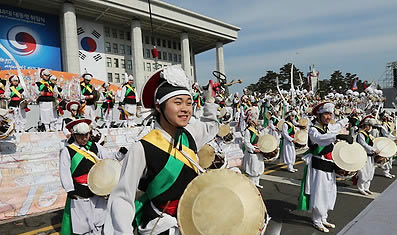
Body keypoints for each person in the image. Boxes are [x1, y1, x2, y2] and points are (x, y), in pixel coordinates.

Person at [104, 65, 218, 235]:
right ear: (159, 106)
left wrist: (209, 101)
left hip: (193, 220)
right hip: (161, 226)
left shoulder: (190, 135)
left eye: (189, 103)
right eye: (177, 102)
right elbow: (122, 198)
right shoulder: (141, 148)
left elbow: (211, 125)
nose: (185, 109)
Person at [299, 102, 351, 233]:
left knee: (329, 192)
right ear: (319, 115)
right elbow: (320, 139)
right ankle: (317, 220)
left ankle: (324, 218)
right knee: (320, 194)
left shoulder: (328, 128)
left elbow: (336, 127)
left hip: (329, 165)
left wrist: (346, 120)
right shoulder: (313, 130)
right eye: (326, 114)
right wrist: (338, 136)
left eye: (330, 114)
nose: (328, 117)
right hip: (319, 165)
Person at [59, 119, 113, 235]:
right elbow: (64, 170)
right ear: (74, 135)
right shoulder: (67, 151)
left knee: (99, 218)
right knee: (83, 223)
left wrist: (120, 154)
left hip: (98, 187)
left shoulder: (95, 147)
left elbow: (108, 159)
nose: (84, 139)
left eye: (86, 135)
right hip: (80, 190)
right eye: (80, 136)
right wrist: (69, 189)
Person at [356, 117, 379, 195]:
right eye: (369, 126)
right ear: (365, 126)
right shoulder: (361, 134)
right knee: (364, 172)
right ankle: (361, 188)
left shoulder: (369, 135)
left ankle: (366, 188)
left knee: (370, 172)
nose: (370, 128)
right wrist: (373, 149)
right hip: (364, 155)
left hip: (370, 156)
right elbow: (363, 144)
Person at [242, 109, 265, 188]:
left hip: (258, 151)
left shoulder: (256, 130)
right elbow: (246, 142)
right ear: (251, 121)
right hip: (253, 153)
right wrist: (254, 149)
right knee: (253, 169)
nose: (256, 120)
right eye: (255, 119)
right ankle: (252, 184)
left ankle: (257, 182)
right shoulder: (248, 131)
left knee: (258, 167)